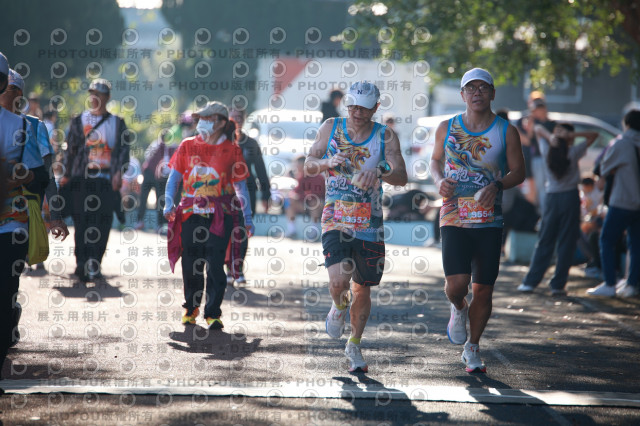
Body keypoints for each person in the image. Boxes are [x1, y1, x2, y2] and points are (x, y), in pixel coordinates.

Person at [305, 81, 407, 373]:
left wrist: (379, 171)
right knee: (339, 282)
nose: (357, 112)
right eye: (352, 107)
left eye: (364, 108)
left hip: (369, 222)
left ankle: (354, 344)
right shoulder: (330, 127)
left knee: (362, 288)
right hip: (335, 217)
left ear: (376, 108)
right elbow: (309, 164)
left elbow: (401, 175)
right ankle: (339, 306)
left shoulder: (385, 135)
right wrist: (327, 162)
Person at [430, 68, 525, 373]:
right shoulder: (446, 127)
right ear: (462, 95)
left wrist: (496, 185)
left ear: (493, 93)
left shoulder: (505, 131)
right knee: (457, 285)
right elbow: (434, 161)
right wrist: (438, 181)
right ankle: (458, 306)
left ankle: (472, 347)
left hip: (488, 219)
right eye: (470, 88)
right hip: (454, 215)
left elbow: (519, 172)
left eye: (483, 88)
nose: (477, 93)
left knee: (483, 289)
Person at [164, 101, 255, 329]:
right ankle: (191, 308)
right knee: (191, 263)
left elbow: (241, 187)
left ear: (221, 123)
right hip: (190, 213)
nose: (202, 122)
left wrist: (248, 218)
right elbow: (174, 178)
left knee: (215, 265)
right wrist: (168, 203)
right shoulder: (187, 145)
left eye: (208, 118)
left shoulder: (232, 150)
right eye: (201, 118)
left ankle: (213, 313)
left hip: (220, 215)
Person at [0, 51, 48, 391]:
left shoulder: (22, 126)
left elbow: (39, 176)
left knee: (5, 294)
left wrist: (17, 174)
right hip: (11, 225)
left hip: (12, 224)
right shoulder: (19, 126)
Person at [59, 78, 130, 282]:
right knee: (81, 221)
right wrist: (66, 174)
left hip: (106, 180)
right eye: (92, 94)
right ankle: (81, 262)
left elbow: (124, 150)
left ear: (107, 97)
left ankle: (95, 262)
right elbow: (70, 150)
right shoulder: (78, 120)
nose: (95, 98)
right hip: (82, 179)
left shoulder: (117, 123)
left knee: (103, 222)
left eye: (99, 95)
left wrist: (119, 173)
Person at [0, 69, 70, 274]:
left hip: (19, 212)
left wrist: (55, 216)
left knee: (9, 275)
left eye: (8, 88)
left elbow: (46, 174)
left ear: (19, 94)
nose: (3, 92)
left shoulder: (33, 125)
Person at [517, 123, 598, 295]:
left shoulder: (547, 149)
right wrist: (571, 136)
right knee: (566, 242)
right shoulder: (573, 151)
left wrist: (550, 136)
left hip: (552, 198)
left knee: (545, 240)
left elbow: (537, 129)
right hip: (570, 198)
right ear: (569, 139)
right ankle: (558, 285)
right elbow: (594, 135)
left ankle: (530, 283)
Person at [587, 110, 640, 298]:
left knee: (606, 240)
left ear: (627, 124)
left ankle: (609, 283)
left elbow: (603, 168)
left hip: (622, 201)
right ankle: (631, 284)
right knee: (636, 244)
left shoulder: (621, 143)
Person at [226, 107, 271, 285]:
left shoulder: (251, 143)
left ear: (244, 120)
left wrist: (265, 195)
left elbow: (260, 170)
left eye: (239, 117)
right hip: (225, 191)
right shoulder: (222, 141)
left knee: (243, 229)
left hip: (247, 191)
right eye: (233, 117)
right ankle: (227, 269)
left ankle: (238, 268)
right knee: (224, 230)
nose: (236, 120)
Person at [516, 93, 556, 212]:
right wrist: (530, 124)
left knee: (546, 187)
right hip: (532, 158)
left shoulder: (551, 123)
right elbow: (528, 140)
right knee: (535, 189)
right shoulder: (527, 121)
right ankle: (537, 213)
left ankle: (544, 212)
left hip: (547, 158)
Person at [135, 130, 176, 232]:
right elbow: (150, 156)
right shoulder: (160, 145)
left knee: (157, 199)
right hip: (152, 174)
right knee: (147, 198)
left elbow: (148, 156)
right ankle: (143, 221)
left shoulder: (166, 146)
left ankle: (158, 224)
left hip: (157, 176)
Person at [285, 154, 325, 239]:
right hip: (305, 205)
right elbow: (296, 192)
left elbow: (316, 195)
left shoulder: (318, 177)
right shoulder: (301, 178)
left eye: (297, 165)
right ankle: (292, 230)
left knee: (314, 203)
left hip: (318, 206)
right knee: (290, 201)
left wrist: (300, 196)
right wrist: (293, 196)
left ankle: (314, 231)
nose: (296, 168)